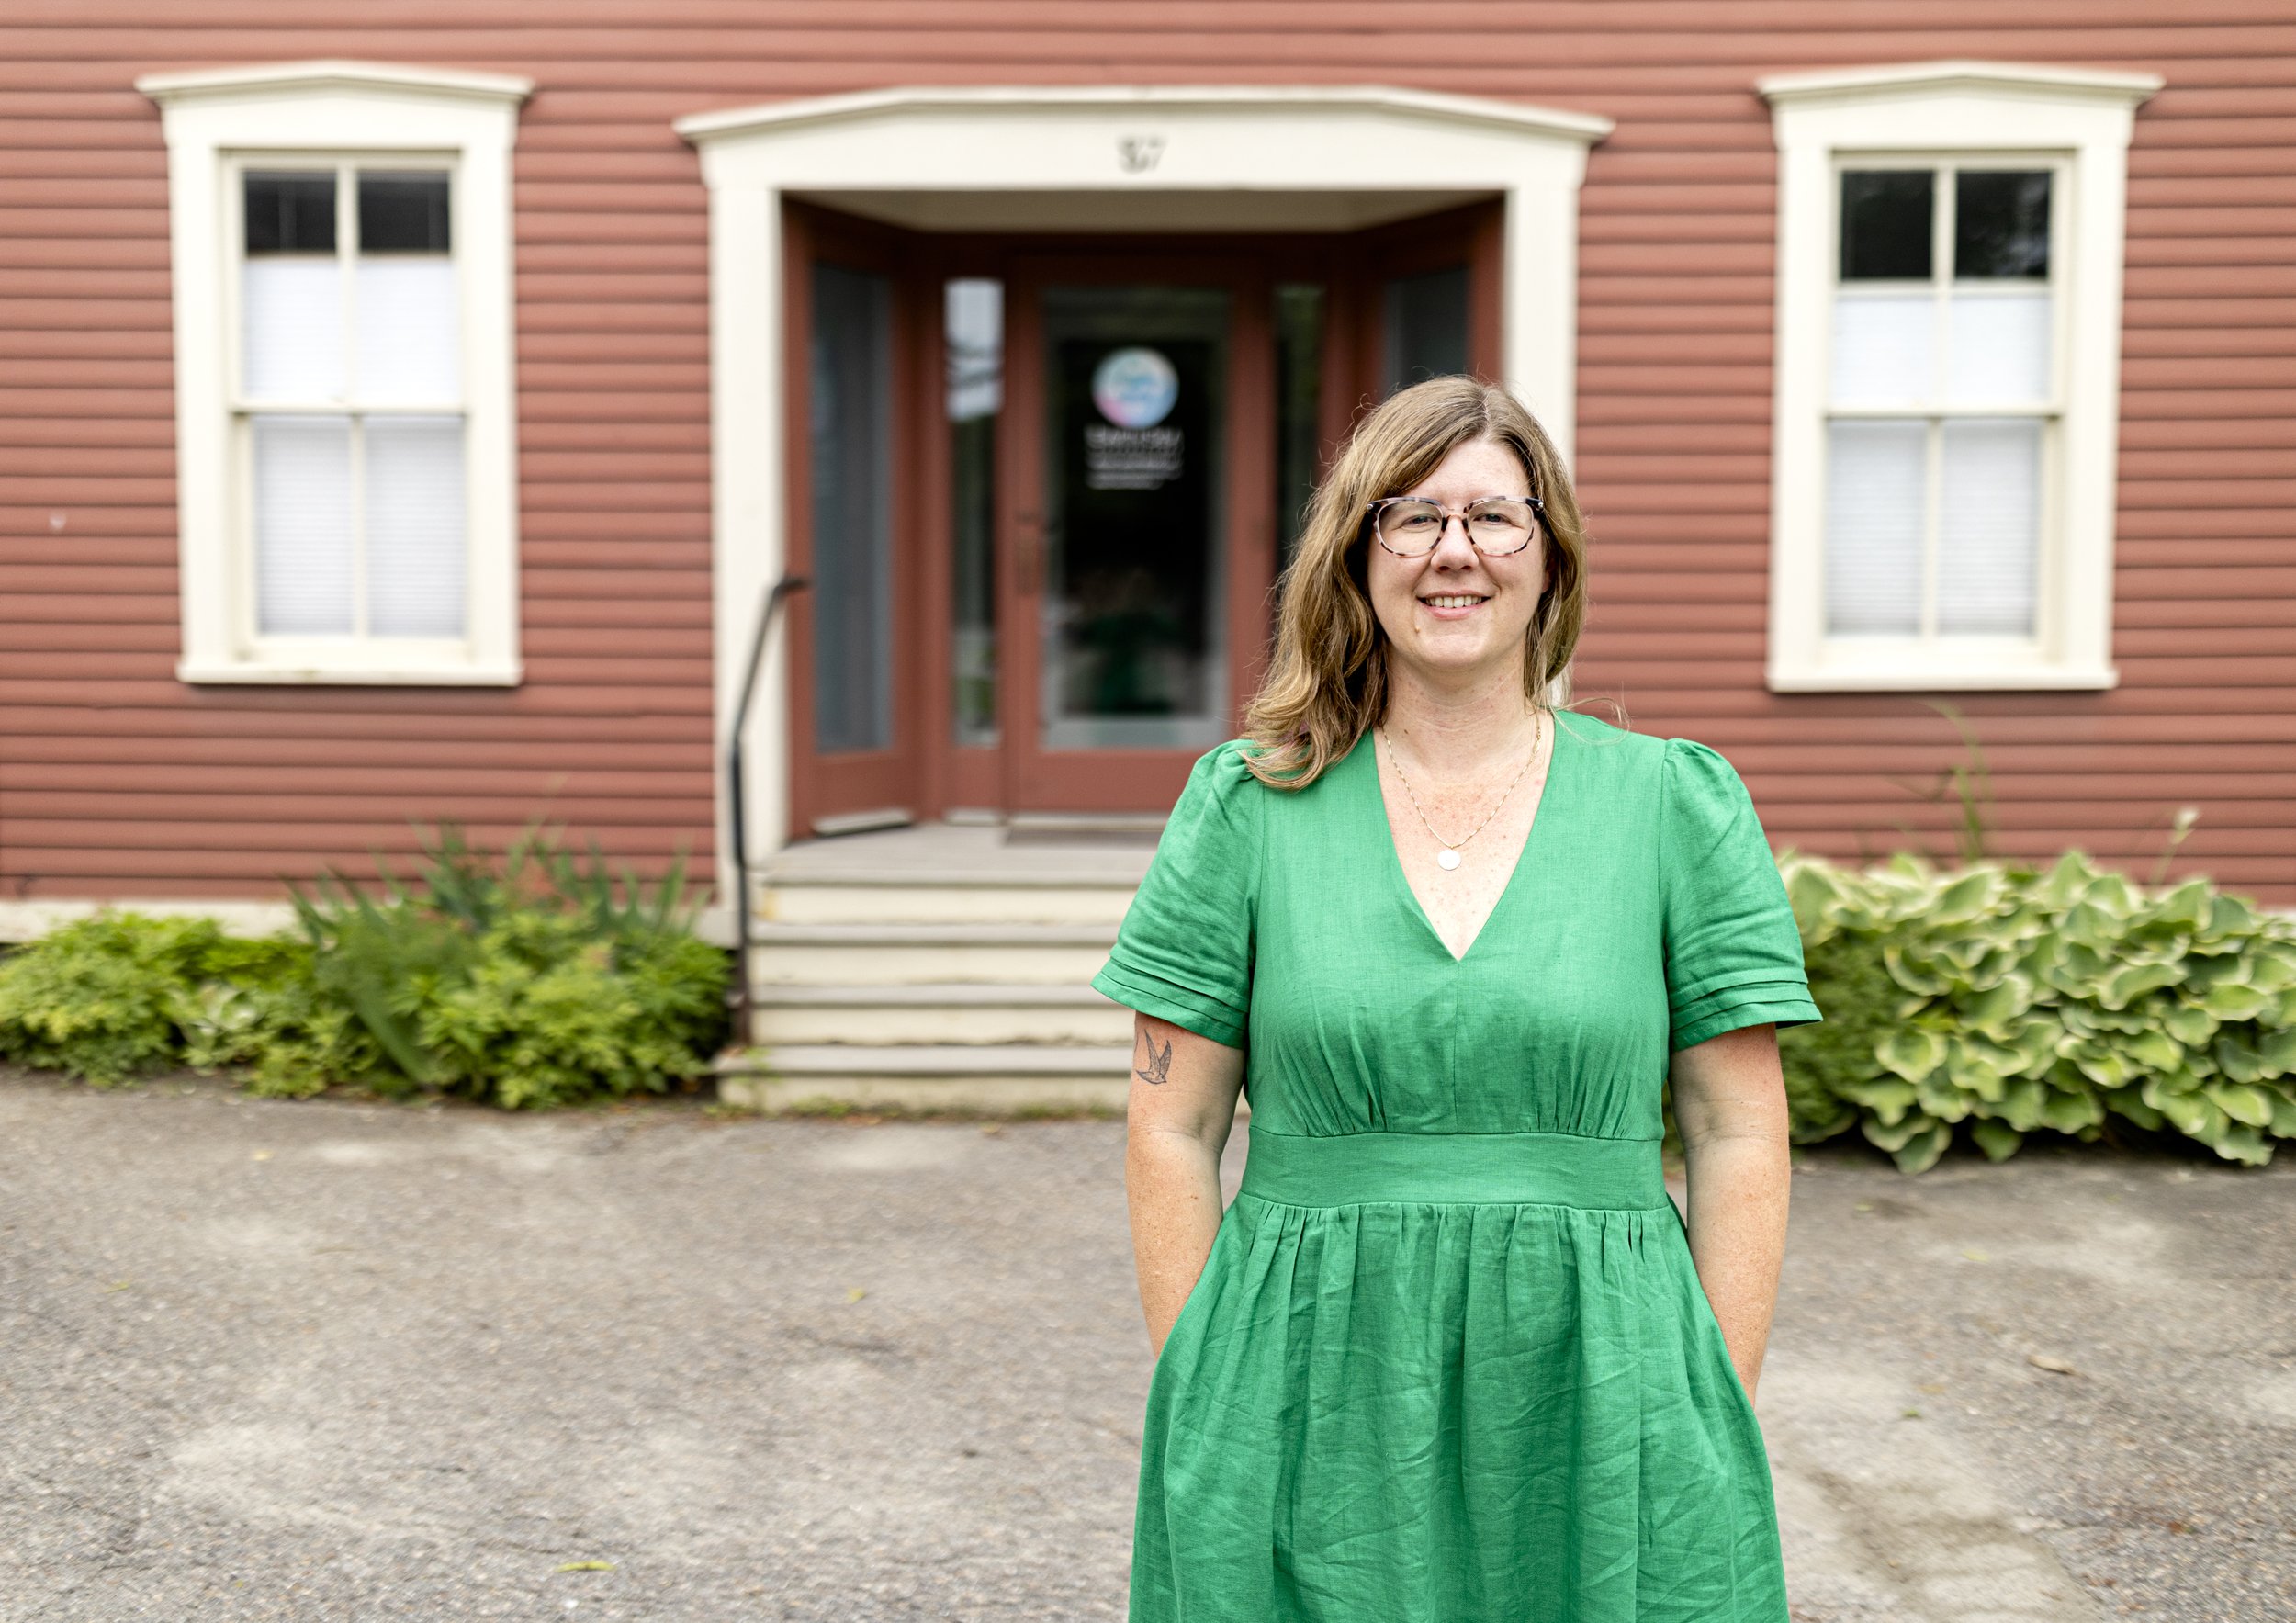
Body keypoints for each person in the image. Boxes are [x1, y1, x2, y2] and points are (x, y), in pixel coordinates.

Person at [1090, 375, 1822, 1621]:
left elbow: (1737, 1128)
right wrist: (1205, 1373)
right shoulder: (1245, 806)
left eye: (1495, 516)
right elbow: (1173, 1123)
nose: (1453, 552)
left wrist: (1703, 1384)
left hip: (1602, 1369)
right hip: (1306, 1362)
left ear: (1552, 555)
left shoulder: (1675, 805)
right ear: (1356, 556)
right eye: (1409, 516)